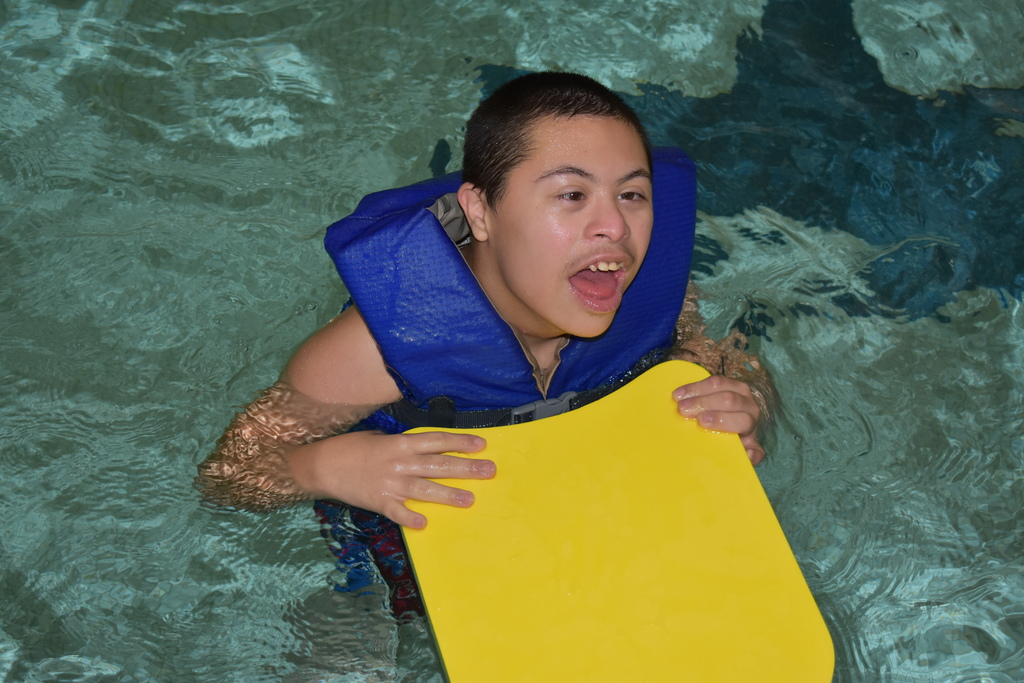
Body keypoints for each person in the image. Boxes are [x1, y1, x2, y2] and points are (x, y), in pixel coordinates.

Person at [196, 71, 776, 617]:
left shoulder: (653, 292)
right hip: (400, 542)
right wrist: (324, 465)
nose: (615, 229)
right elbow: (227, 475)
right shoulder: (372, 351)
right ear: (480, 210)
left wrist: (747, 405)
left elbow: (723, 362)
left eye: (632, 195)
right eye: (572, 195)